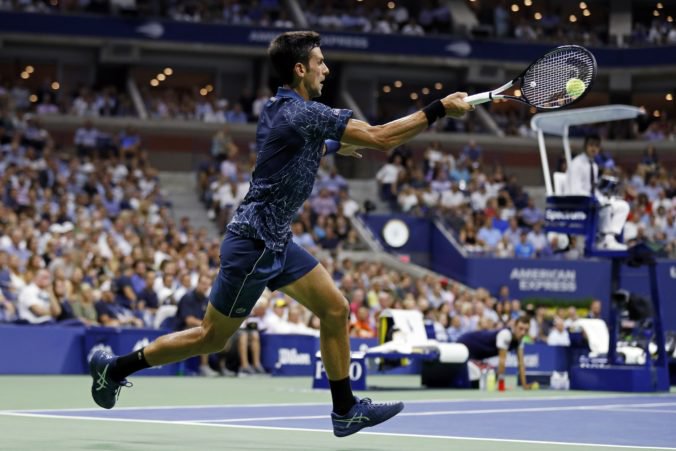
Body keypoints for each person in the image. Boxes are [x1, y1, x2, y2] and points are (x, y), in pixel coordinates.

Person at [88, 30, 472, 437]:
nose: (327, 69)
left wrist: (330, 145)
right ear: (301, 69)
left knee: (336, 309)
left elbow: (295, 144)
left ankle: (345, 410)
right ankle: (113, 369)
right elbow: (381, 137)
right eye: (320, 62)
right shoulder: (305, 113)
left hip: (277, 240)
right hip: (253, 244)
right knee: (210, 338)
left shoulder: (280, 108)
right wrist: (440, 109)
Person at [566, 134, 630, 250]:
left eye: (596, 146)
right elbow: (575, 190)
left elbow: (593, 189)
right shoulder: (576, 164)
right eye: (591, 145)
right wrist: (598, 200)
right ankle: (604, 239)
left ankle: (609, 238)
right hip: (579, 204)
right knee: (605, 207)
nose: (594, 148)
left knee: (623, 206)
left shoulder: (594, 165)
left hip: (593, 201)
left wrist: (605, 197)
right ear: (585, 146)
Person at [455, 315, 534, 390]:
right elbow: (502, 362)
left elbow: (521, 364)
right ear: (515, 326)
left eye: (526, 330)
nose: (523, 332)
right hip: (465, 343)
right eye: (521, 328)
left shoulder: (519, 341)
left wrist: (525, 386)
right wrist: (501, 385)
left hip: (477, 353)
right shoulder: (505, 334)